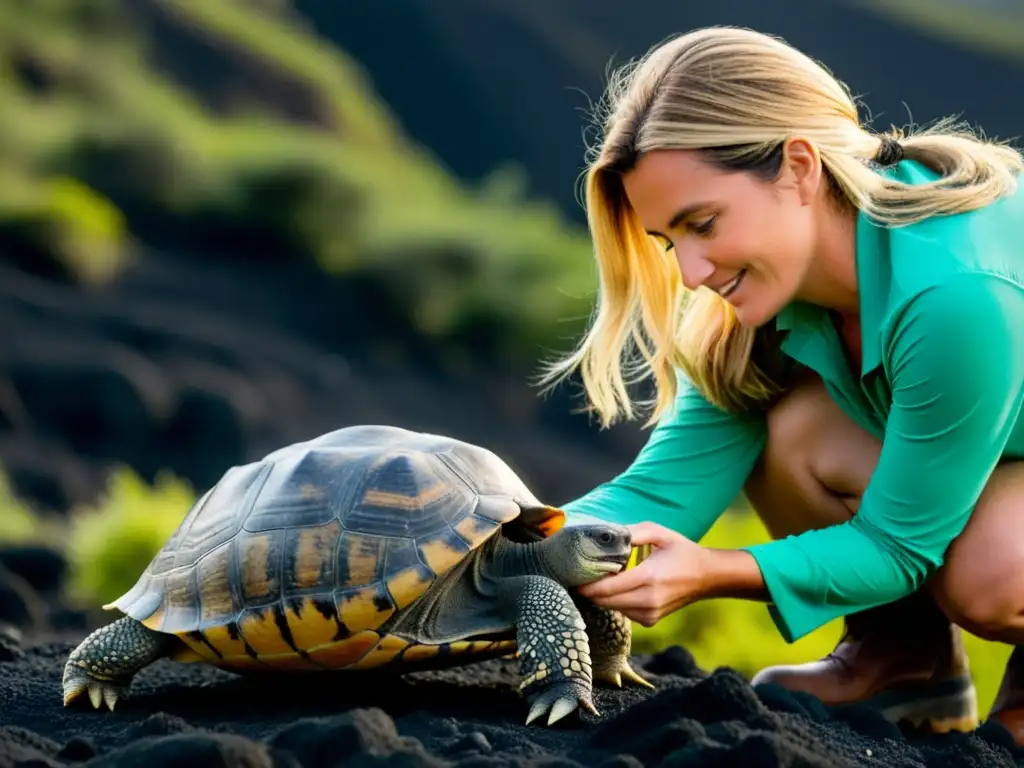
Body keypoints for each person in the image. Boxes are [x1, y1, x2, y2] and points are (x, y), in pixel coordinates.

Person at [538, 25, 1024, 743]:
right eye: (671, 242)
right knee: (788, 428)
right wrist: (493, 544)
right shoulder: (755, 307)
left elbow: (897, 547)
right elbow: (659, 493)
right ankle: (905, 661)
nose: (692, 273)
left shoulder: (956, 294)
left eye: (703, 224)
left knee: (992, 575)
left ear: (798, 167)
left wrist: (715, 570)